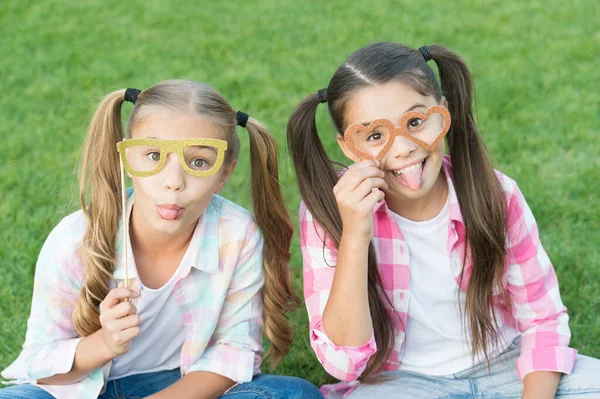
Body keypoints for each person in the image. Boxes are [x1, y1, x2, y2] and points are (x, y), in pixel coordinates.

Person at [287, 42, 600, 398]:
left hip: (506, 364)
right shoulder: (331, 212)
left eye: (416, 122)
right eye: (375, 136)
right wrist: (355, 235)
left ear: (443, 113)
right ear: (347, 147)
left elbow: (542, 320)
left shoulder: (496, 193)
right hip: (401, 384)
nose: (402, 148)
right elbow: (344, 363)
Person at [2, 80, 323, 399]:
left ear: (224, 174)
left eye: (198, 162)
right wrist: (104, 344)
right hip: (77, 388)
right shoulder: (75, 239)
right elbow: (40, 364)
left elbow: (234, 352)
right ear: (128, 159)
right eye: (154, 155)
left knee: (291, 393)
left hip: (177, 386)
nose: (173, 182)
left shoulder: (236, 233)